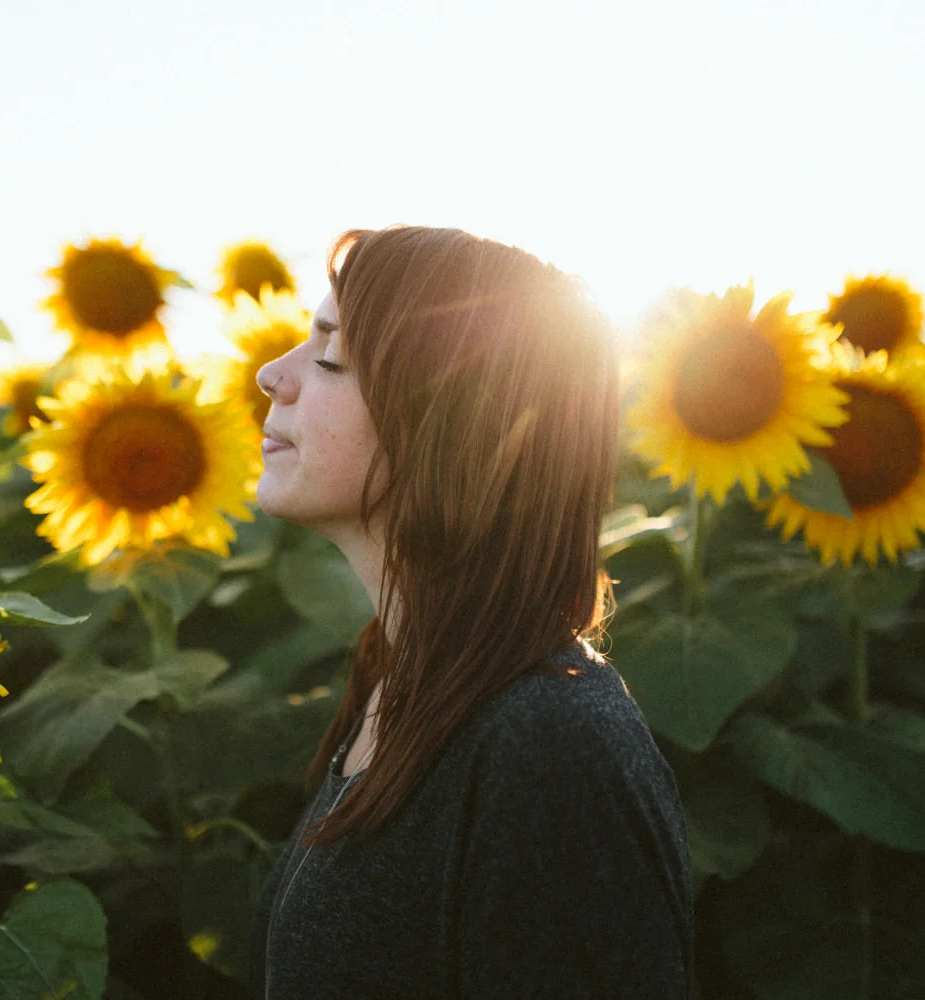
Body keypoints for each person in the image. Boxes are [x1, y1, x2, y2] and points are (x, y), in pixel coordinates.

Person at [246, 225, 693, 999]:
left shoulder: (550, 748)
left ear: (444, 421)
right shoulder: (398, 683)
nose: (268, 374)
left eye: (327, 357)